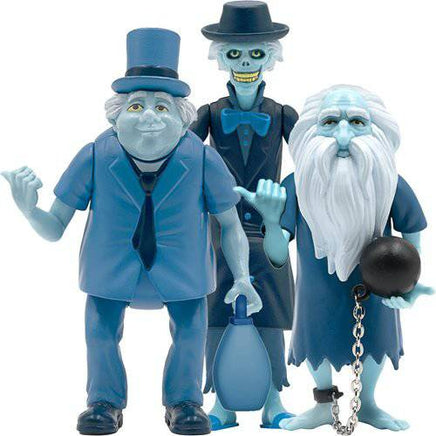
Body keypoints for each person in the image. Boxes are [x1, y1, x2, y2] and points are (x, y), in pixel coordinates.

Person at [2, 28, 262, 435]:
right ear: (116, 115)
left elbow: (230, 223)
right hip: (109, 269)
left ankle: (184, 401)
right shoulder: (94, 155)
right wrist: (29, 210)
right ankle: (103, 402)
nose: (149, 116)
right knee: (99, 333)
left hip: (184, 269)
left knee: (191, 333)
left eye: (162, 106)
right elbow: (54, 228)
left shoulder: (203, 159)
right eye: (137, 105)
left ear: (183, 117)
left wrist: (242, 276)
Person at [236, 85, 434, 431]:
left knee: (376, 339)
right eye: (330, 122)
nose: (343, 136)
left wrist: (408, 284)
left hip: (376, 286)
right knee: (316, 339)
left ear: (377, 131)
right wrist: (271, 221)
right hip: (317, 289)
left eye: (357, 122)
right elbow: (277, 255)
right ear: (312, 132)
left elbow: (411, 233)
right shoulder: (298, 184)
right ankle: (322, 405)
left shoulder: (388, 182)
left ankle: (367, 402)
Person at [190, 2, 298, 429]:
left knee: (270, 311)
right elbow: (182, 159)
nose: (246, 63)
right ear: (221, 58)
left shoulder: (283, 114)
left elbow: (312, 162)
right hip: (220, 228)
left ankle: (274, 399)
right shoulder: (210, 113)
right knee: (216, 309)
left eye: (256, 54)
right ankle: (221, 403)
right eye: (235, 54)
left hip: (271, 226)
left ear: (271, 56)